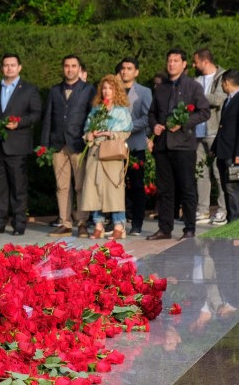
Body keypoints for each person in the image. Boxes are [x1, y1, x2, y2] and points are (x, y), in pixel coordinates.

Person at [146, 48, 210, 241]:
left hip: (183, 145)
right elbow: (152, 113)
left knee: (186, 188)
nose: (171, 64)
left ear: (184, 64)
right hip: (163, 145)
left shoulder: (193, 86)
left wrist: (184, 123)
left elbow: (204, 112)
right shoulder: (161, 87)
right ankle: (165, 228)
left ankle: (189, 228)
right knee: (164, 190)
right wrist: (154, 125)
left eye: (175, 61)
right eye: (169, 60)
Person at [0, 53, 42, 236]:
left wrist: (19, 123)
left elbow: (36, 114)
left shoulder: (29, 90)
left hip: (17, 146)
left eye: (12, 65)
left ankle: (19, 224)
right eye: (6, 65)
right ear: (1, 68)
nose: (9, 68)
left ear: (19, 67)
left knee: (18, 187)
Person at [40, 54, 96, 237]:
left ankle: (82, 223)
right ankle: (65, 223)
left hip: (79, 143)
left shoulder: (88, 89)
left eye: (73, 66)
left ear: (79, 69)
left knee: (81, 186)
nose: (70, 69)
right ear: (63, 68)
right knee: (62, 186)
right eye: (66, 66)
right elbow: (48, 118)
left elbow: (92, 116)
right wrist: (44, 144)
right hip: (58, 145)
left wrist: (90, 137)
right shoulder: (55, 90)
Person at [80, 75, 133, 239]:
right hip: (95, 154)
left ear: (116, 90)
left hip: (112, 154)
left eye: (110, 88)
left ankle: (119, 226)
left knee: (114, 190)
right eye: (104, 88)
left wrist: (110, 133)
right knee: (95, 189)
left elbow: (126, 132)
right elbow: (87, 130)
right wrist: (89, 135)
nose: (106, 91)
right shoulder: (96, 110)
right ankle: (98, 225)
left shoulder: (121, 111)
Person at [212, 69, 239, 223]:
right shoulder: (228, 100)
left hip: (233, 152)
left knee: (232, 188)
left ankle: (235, 219)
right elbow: (223, 127)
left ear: (227, 82)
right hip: (223, 150)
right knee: (225, 187)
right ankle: (231, 217)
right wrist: (214, 147)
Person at [192, 48, 228, 225]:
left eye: (196, 62)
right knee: (201, 173)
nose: (193, 65)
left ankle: (223, 210)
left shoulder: (222, 77)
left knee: (218, 172)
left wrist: (197, 97)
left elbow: (219, 99)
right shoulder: (196, 80)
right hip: (197, 133)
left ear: (205, 61)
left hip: (215, 132)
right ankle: (203, 210)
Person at [117, 57, 152, 236]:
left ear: (136, 72)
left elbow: (147, 117)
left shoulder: (144, 92)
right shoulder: (113, 89)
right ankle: (117, 222)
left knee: (137, 186)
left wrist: (127, 126)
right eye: (123, 68)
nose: (125, 71)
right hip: (115, 146)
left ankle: (137, 223)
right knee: (116, 186)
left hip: (135, 145)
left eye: (129, 68)